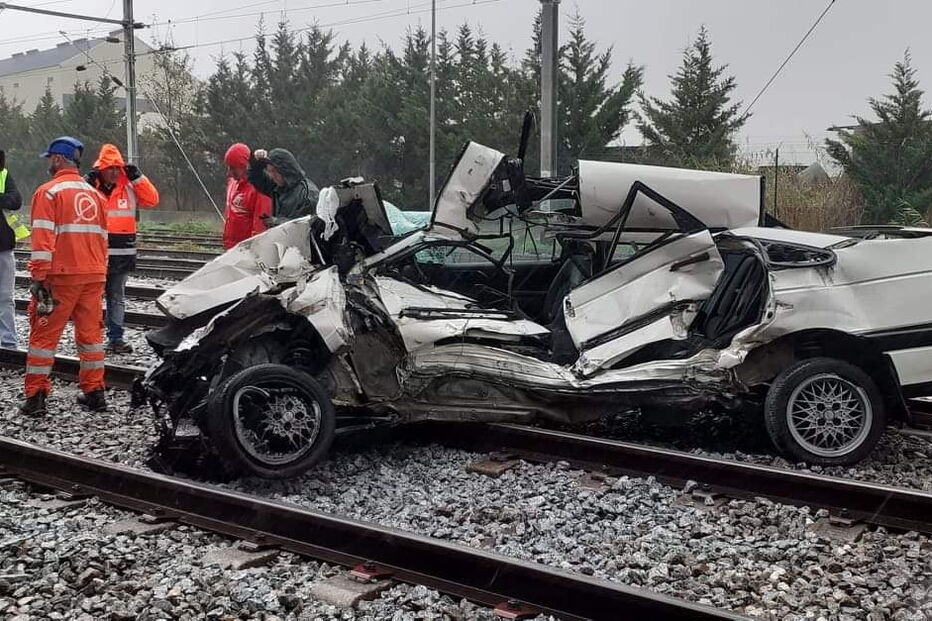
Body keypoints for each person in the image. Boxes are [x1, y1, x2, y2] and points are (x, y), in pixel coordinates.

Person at [19, 137, 110, 417]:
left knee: (44, 337)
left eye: (50, 158)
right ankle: (95, 392)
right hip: (93, 275)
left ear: (58, 159)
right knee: (91, 337)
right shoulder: (96, 195)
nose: (48, 163)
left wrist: (38, 278)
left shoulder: (48, 192)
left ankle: (36, 397)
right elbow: (104, 239)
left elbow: (43, 240)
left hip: (61, 277)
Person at [85, 144, 159, 354]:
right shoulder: (92, 186)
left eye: (118, 168)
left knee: (116, 296)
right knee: (92, 298)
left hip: (121, 254)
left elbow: (152, 200)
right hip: (95, 253)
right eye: (110, 168)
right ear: (101, 168)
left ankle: (115, 338)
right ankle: (92, 337)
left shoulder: (129, 185)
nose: (114, 172)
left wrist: (138, 177)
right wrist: (84, 183)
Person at [248, 148, 319, 227]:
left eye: (274, 171)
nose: (272, 176)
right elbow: (257, 180)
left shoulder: (307, 193)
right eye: (269, 171)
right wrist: (257, 162)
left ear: (285, 170)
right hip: (282, 237)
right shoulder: (280, 187)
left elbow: (308, 225)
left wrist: (278, 222)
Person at [222, 143, 272, 249]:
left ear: (244, 165)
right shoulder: (232, 184)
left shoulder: (258, 188)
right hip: (231, 248)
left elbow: (260, 225)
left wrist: (254, 250)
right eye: (228, 167)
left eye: (233, 167)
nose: (230, 172)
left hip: (247, 251)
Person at [0, 149, 25, 349]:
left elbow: (15, 201)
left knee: (6, 298)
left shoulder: (4, 175)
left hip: (4, 248)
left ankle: (9, 342)